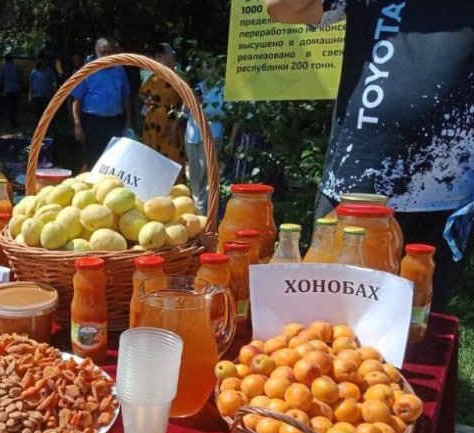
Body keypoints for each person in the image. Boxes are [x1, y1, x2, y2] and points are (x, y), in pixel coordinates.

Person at [266, 0, 474, 311]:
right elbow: (282, 8)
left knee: (420, 326)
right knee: (328, 322)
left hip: (443, 201)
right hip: (356, 189)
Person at [71, 38, 132, 169]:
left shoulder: (120, 70)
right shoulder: (87, 70)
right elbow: (77, 101)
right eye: (103, 52)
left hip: (115, 123)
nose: (107, 56)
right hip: (93, 123)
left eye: (110, 52)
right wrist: (77, 125)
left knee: (114, 162)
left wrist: (128, 120)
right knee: (93, 161)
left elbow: (125, 96)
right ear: (96, 51)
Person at [184, 63, 228, 215]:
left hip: (211, 134)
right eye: (204, 68)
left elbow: (228, 112)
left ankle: (206, 212)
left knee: (208, 174)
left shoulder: (224, 88)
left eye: (210, 68)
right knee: (194, 174)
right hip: (192, 136)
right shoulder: (197, 87)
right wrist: (188, 98)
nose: (206, 72)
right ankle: (197, 208)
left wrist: (210, 114)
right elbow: (185, 113)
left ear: (218, 69)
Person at [140, 43, 186, 174]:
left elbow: (185, 104)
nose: (157, 60)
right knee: (152, 156)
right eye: (155, 57)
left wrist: (175, 126)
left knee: (172, 156)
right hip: (152, 120)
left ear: (170, 57)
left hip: (172, 117)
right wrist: (147, 101)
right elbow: (142, 93)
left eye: (160, 56)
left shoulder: (178, 77)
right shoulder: (153, 77)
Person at [28, 56, 57, 123]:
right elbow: (31, 85)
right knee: (37, 115)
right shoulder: (34, 72)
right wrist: (30, 95)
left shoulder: (49, 70)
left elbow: (54, 83)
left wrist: (53, 94)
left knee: (48, 115)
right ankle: (39, 128)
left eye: (40, 61)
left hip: (47, 97)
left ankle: (49, 128)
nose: (38, 62)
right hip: (36, 97)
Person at [0, 54, 22, 128]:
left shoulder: (3, 67)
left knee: (10, 105)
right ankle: (14, 121)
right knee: (15, 106)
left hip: (8, 88)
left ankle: (11, 121)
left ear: (5, 59)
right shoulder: (17, 67)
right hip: (16, 88)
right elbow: (20, 77)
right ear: (11, 59)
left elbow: (0, 78)